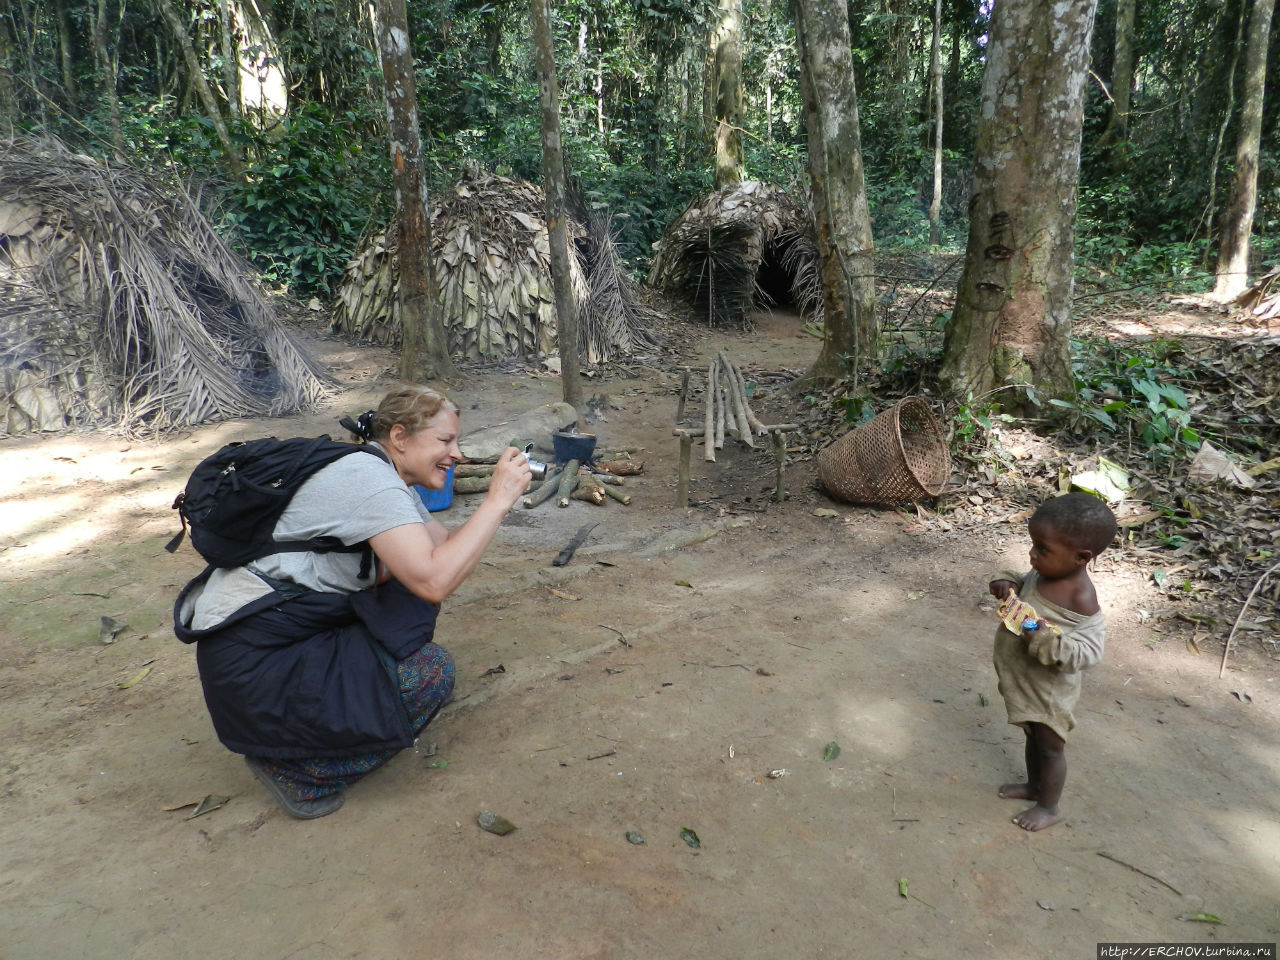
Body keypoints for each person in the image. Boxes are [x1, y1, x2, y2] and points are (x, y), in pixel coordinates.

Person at [173, 386, 531, 819]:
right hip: (255, 662)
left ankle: (334, 718)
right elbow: (435, 580)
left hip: (277, 637)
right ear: (400, 437)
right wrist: (496, 501)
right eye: (445, 441)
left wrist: (500, 504)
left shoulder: (384, 476)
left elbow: (447, 549)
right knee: (432, 675)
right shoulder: (369, 483)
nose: (457, 454)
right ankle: (302, 773)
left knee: (403, 600)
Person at [986, 492, 1117, 832]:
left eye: (1042, 549)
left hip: (1049, 692)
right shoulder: (1043, 572)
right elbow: (1023, 580)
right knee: (1032, 737)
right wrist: (1008, 581)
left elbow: (1088, 651)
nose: (1032, 555)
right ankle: (1033, 786)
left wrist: (1042, 637)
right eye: (1033, 545)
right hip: (1026, 682)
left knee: (1051, 750)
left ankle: (1049, 806)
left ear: (1080, 557)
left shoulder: (1081, 597)